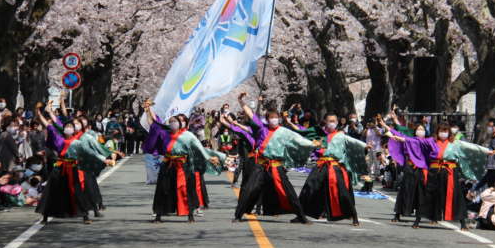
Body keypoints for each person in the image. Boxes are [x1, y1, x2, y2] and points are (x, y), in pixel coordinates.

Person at [233, 93, 314, 224]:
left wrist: (312, 144)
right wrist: (240, 100)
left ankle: (301, 216)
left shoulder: (284, 132)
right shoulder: (261, 128)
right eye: (271, 118)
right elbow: (250, 114)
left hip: (276, 166)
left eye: (276, 117)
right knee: (249, 189)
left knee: (289, 191)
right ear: (267, 119)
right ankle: (238, 215)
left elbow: (298, 140)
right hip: (260, 166)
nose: (274, 120)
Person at [141, 100, 222, 223]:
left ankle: (190, 214)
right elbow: (153, 124)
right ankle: (159, 214)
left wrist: (209, 157)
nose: (173, 123)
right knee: (163, 189)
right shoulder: (165, 133)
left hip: (183, 166)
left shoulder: (188, 135)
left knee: (185, 189)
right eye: (171, 121)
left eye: (175, 121)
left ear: (180, 124)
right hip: (167, 164)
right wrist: (147, 110)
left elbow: (199, 148)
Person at [298, 113, 367, 225]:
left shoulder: (340, 135)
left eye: (334, 120)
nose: (332, 123)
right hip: (321, 164)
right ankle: (300, 215)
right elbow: (307, 139)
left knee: (343, 192)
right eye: (330, 120)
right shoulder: (319, 134)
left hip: (334, 166)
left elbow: (353, 142)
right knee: (309, 187)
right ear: (325, 121)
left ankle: (354, 216)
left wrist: (365, 146)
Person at [421, 122, 490, 230]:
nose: (443, 133)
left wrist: (488, 151)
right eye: (441, 131)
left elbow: (471, 147)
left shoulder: (455, 143)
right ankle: (431, 217)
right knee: (432, 194)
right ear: (437, 132)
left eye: (445, 131)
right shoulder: (432, 142)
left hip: (449, 172)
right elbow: (417, 143)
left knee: (455, 196)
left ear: (449, 132)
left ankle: (462, 222)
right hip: (435, 171)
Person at [380, 115, 438, 228]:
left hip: (420, 170)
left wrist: (402, 139)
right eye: (418, 129)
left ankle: (418, 219)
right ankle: (398, 214)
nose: (420, 131)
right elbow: (399, 134)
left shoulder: (427, 141)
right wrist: (384, 125)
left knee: (420, 194)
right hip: (409, 168)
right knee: (404, 190)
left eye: (422, 129)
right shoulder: (411, 139)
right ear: (415, 131)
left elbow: (409, 140)